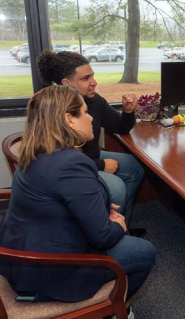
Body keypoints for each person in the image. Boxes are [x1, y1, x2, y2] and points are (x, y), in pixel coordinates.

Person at [0, 86, 156, 310]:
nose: (91, 118)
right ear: (69, 119)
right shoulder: (71, 163)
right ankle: (110, 309)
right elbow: (102, 237)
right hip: (48, 270)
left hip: (20, 256)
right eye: (85, 112)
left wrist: (102, 207)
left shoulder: (37, 153)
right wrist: (119, 223)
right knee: (145, 252)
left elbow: (62, 199)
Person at [36, 50, 146, 237]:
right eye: (86, 78)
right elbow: (59, 162)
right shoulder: (53, 110)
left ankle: (121, 227)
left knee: (135, 167)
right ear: (66, 83)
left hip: (88, 158)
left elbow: (120, 127)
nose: (94, 82)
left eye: (92, 76)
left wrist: (128, 112)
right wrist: (101, 165)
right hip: (72, 170)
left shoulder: (94, 101)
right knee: (117, 186)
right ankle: (103, 232)